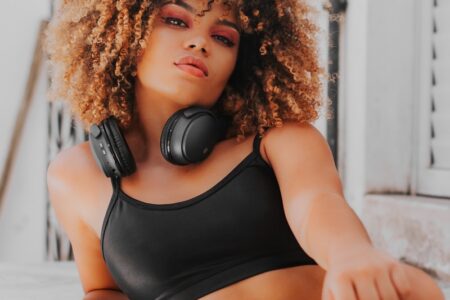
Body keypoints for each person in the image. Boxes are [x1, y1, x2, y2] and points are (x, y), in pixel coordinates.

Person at [44, 0, 444, 299]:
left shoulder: (280, 140)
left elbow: (317, 204)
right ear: (124, 35)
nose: (200, 42)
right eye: (175, 19)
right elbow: (104, 291)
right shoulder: (75, 176)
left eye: (223, 37)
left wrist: (352, 255)